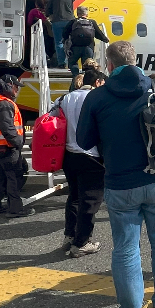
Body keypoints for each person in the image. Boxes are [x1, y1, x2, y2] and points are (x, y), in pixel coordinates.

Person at [78, 40, 155, 308]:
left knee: (126, 249)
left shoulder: (97, 97)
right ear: (136, 60)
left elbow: (83, 141)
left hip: (121, 184)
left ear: (109, 65)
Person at [49, 66, 107, 257]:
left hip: (69, 155)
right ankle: (81, 242)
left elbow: (52, 119)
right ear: (97, 82)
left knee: (74, 196)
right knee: (90, 200)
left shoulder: (64, 98)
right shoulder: (97, 98)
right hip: (91, 156)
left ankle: (69, 235)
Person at [0, 74, 32, 218]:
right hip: (7, 148)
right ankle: (15, 209)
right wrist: (18, 143)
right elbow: (8, 128)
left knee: (0, 177)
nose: (17, 90)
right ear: (9, 86)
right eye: (16, 87)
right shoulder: (4, 103)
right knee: (14, 177)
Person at [64, 7, 109, 78]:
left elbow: (64, 33)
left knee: (72, 63)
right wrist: (106, 39)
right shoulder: (92, 22)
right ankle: (85, 79)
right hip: (89, 47)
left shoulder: (73, 22)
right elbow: (98, 34)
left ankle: (77, 77)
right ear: (86, 14)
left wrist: (66, 41)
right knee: (88, 66)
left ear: (77, 14)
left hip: (75, 47)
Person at [48, 0, 76, 68]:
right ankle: (71, 61)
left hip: (58, 21)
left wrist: (49, 15)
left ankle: (62, 63)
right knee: (69, 42)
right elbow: (71, 9)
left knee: (59, 42)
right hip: (70, 21)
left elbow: (48, 8)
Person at [26, 0, 50, 65]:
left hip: (36, 32)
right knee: (46, 45)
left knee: (35, 47)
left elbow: (29, 22)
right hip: (46, 32)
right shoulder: (47, 11)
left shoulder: (33, 11)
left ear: (36, 4)